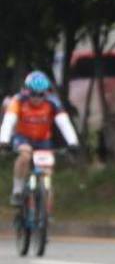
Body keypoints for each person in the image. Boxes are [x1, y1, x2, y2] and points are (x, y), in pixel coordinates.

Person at [0, 71, 80, 204]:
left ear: (46, 93)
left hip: (43, 139)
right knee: (25, 156)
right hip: (23, 137)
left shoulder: (53, 102)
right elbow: (8, 121)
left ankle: (45, 204)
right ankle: (17, 190)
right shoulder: (18, 101)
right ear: (26, 91)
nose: (36, 98)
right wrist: (3, 141)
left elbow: (64, 123)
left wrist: (73, 143)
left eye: (40, 94)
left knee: (47, 169)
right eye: (33, 94)